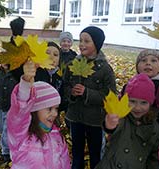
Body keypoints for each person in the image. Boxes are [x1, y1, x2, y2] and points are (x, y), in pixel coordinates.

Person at [63, 26, 116, 169]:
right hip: (76, 117)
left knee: (95, 154)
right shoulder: (73, 65)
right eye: (80, 40)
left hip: (95, 121)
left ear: (97, 44)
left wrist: (87, 93)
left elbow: (111, 95)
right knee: (77, 151)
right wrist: (71, 93)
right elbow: (65, 85)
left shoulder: (104, 69)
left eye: (87, 41)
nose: (82, 44)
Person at [7, 60, 70, 169]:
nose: (55, 114)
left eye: (56, 109)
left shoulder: (57, 137)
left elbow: (65, 163)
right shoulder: (20, 137)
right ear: (33, 110)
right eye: (49, 108)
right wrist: (26, 83)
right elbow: (19, 112)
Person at [96, 73, 159, 169]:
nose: (137, 107)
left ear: (150, 103)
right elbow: (112, 128)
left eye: (143, 103)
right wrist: (109, 126)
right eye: (132, 101)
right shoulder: (122, 118)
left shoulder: (154, 127)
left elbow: (155, 156)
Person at [35, 41, 66, 112]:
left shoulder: (61, 76)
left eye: (55, 55)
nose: (51, 57)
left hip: (53, 115)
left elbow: (62, 98)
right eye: (47, 53)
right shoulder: (35, 72)